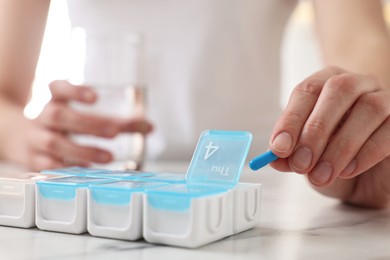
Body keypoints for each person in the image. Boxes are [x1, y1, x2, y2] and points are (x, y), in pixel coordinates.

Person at [0, 0, 389, 208]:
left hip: (256, 186)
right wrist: (26, 134)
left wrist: (360, 130)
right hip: (97, 179)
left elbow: (361, 46)